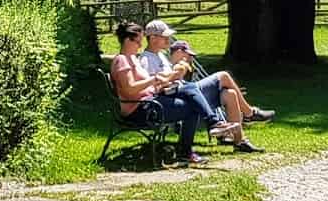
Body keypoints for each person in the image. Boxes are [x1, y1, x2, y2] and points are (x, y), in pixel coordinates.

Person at [139, 20, 269, 152]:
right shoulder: (146, 59)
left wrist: (179, 69)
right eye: (165, 36)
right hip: (179, 94)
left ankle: (240, 141)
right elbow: (154, 86)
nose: (168, 39)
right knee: (223, 76)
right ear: (153, 38)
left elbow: (171, 77)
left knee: (230, 94)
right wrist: (177, 73)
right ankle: (248, 113)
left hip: (183, 91)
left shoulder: (160, 55)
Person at [109, 21, 222, 165]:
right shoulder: (122, 60)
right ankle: (191, 145)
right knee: (192, 105)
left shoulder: (132, 59)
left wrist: (161, 82)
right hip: (139, 110)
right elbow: (130, 89)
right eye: (137, 41)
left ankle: (210, 126)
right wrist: (154, 80)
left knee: (189, 91)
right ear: (127, 40)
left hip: (149, 103)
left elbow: (144, 84)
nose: (139, 45)